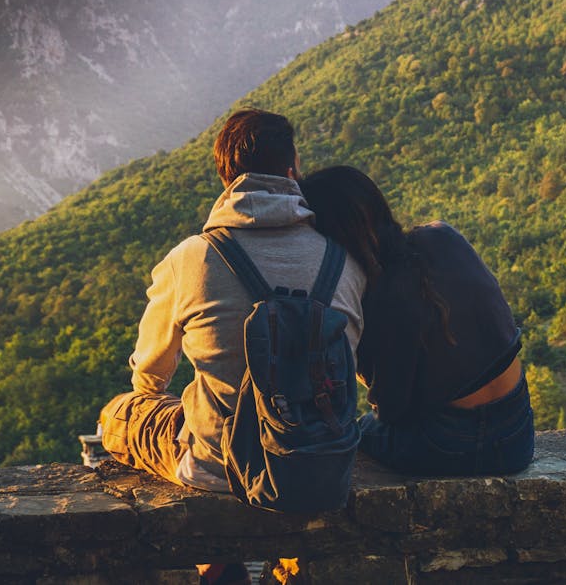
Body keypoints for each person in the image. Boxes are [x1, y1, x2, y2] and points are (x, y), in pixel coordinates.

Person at [98, 109, 367, 495]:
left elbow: (150, 374)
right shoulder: (344, 259)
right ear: (292, 171)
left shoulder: (192, 257)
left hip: (218, 465)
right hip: (320, 460)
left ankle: (212, 557)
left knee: (120, 413)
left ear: (226, 179)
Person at [298, 165, 533, 476]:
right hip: (519, 431)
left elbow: (392, 412)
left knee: (357, 431)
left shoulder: (381, 296)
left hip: (452, 443)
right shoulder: (442, 235)